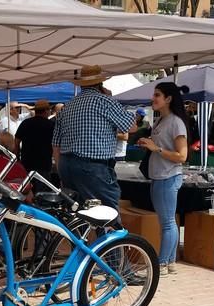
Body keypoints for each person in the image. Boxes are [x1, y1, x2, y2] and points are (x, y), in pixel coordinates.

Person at [52, 65, 136, 211]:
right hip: (93, 166)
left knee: (77, 212)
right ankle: (111, 233)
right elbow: (131, 127)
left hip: (67, 164)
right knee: (108, 211)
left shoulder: (68, 106)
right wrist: (110, 98)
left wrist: (61, 170)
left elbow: (56, 145)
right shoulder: (105, 101)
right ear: (100, 83)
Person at [137, 82, 190, 277]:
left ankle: (162, 264)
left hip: (168, 176)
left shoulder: (176, 122)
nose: (153, 98)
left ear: (168, 99)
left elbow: (182, 156)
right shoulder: (160, 121)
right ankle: (170, 262)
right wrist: (148, 145)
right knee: (166, 222)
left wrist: (156, 148)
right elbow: (160, 148)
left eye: (157, 95)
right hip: (158, 176)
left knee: (167, 223)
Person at [14, 99, 54, 184]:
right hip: (44, 163)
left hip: (27, 162)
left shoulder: (26, 123)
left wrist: (17, 157)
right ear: (46, 111)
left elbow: (17, 141)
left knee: (28, 189)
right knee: (42, 192)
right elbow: (55, 144)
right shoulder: (51, 125)